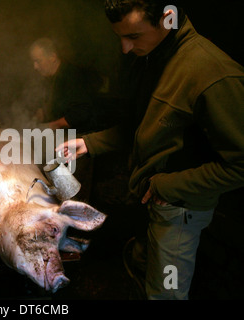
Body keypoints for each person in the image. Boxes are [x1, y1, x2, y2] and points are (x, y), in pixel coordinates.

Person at [57, 0, 244, 300]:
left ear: (168, 18)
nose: (125, 49)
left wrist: (166, 185)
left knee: (167, 292)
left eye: (133, 36)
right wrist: (90, 142)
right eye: (120, 37)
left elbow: (240, 165)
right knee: (147, 263)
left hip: (180, 212)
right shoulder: (159, 55)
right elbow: (145, 126)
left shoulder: (214, 73)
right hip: (153, 201)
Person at [29, 37, 108, 134]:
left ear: (53, 57)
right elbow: (53, 107)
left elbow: (82, 112)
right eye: (33, 62)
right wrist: (40, 116)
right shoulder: (48, 78)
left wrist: (51, 125)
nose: (35, 67)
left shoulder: (72, 75)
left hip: (80, 137)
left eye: (38, 61)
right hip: (62, 135)